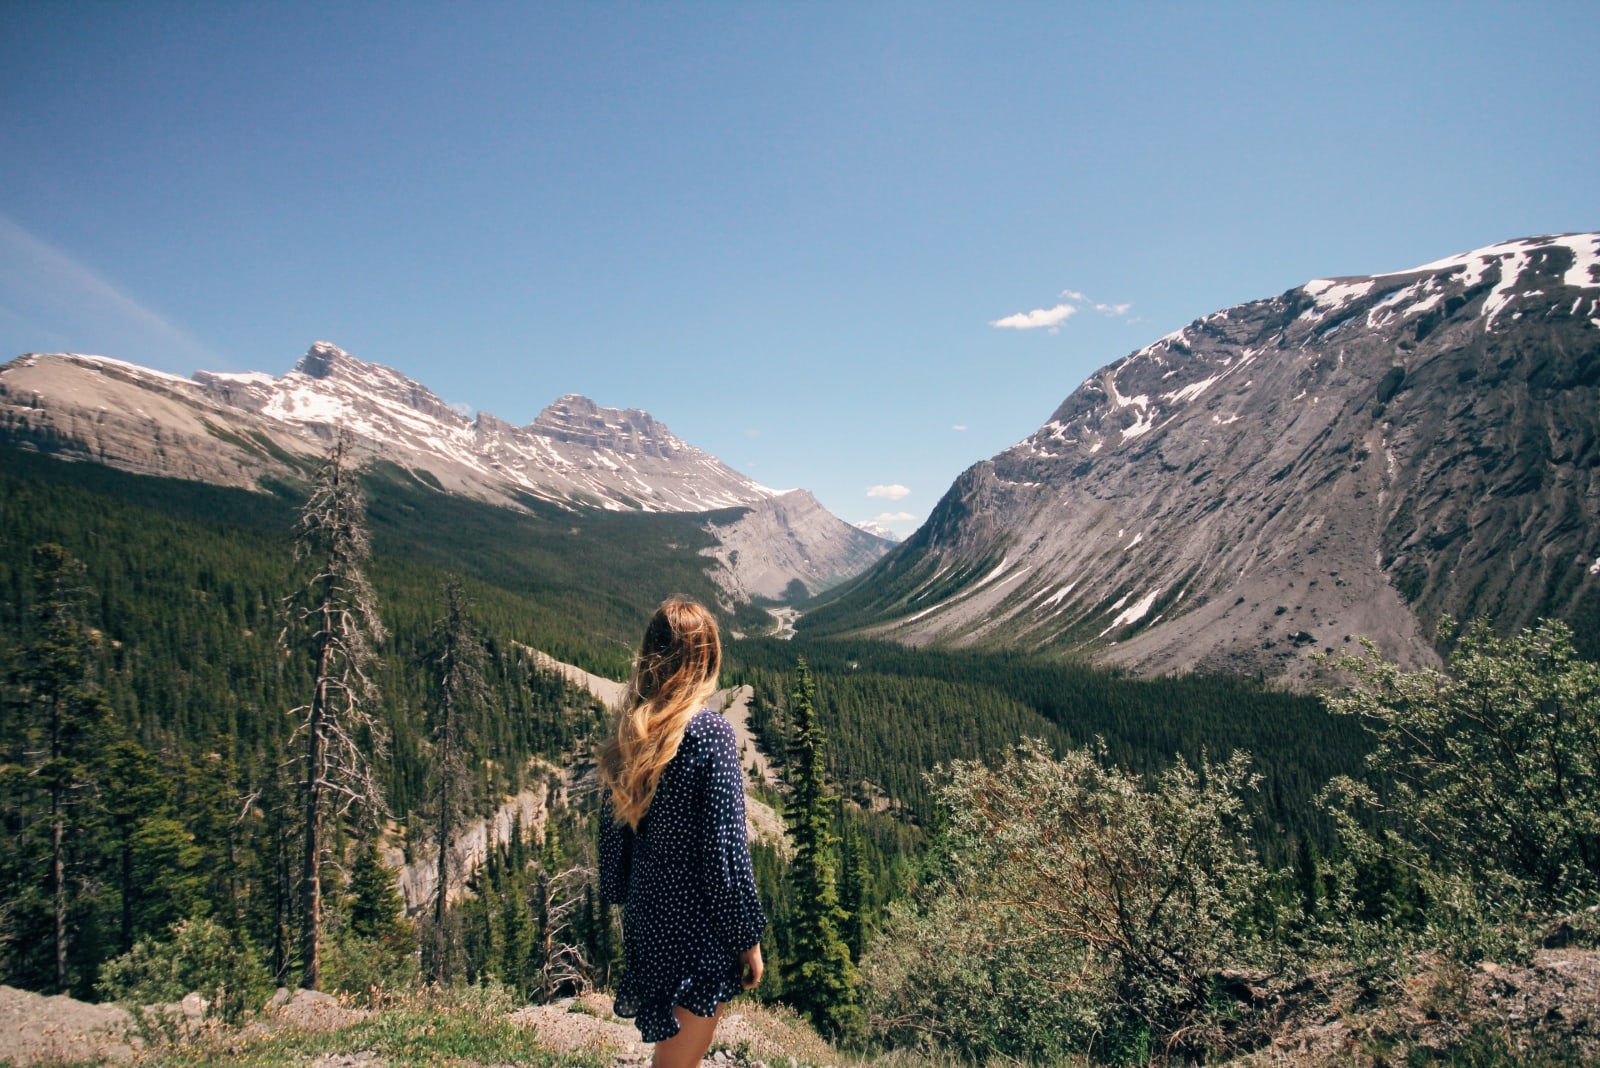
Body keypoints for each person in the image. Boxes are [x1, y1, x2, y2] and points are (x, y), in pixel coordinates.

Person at [598, 598, 766, 1068]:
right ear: (706, 660)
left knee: (671, 1056)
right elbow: (726, 854)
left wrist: (620, 893)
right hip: (695, 929)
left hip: (648, 917)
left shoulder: (634, 729)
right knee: (675, 1064)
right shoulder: (709, 733)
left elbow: (613, 831)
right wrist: (747, 938)